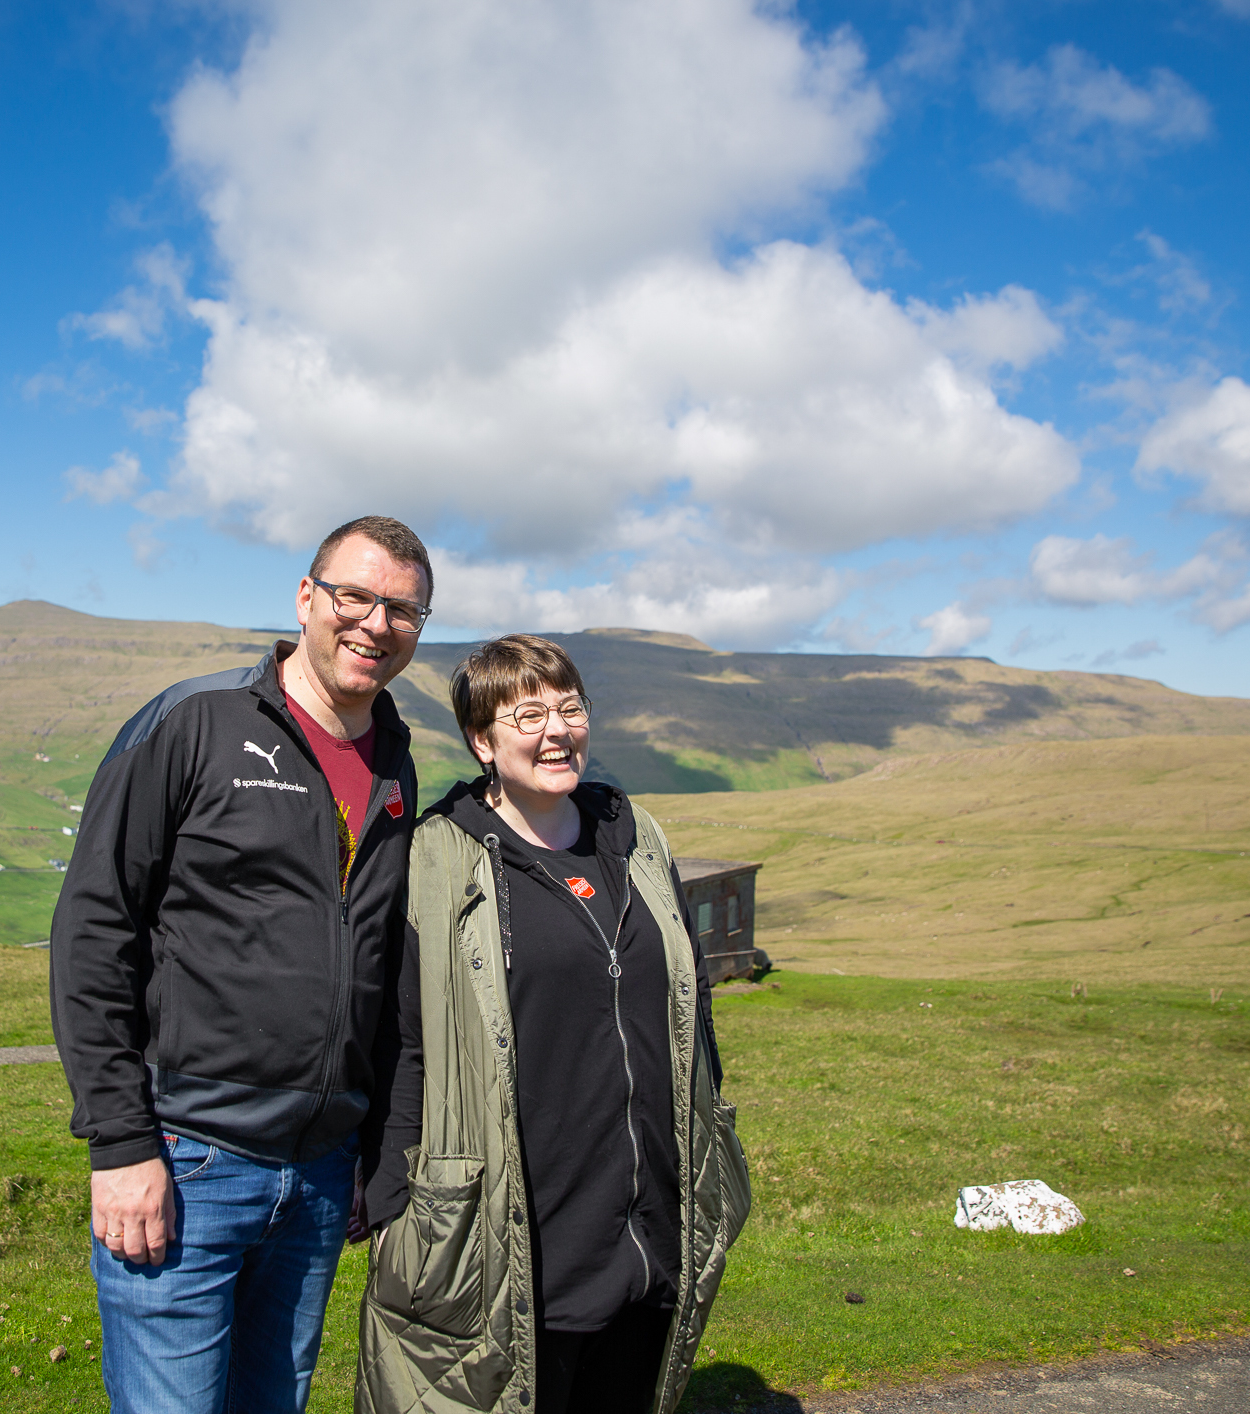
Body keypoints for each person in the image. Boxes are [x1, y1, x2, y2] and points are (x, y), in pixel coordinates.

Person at [50, 515, 433, 1414]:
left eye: (404, 612)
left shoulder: (397, 763)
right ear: (306, 598)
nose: (376, 625)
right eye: (355, 597)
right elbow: (95, 926)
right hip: (187, 1163)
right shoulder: (198, 721)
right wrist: (120, 1145)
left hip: (317, 1177)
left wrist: (371, 1156)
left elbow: (379, 976)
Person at [355, 634, 751, 1414]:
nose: (556, 730)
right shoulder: (439, 856)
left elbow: (687, 1002)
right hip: (512, 1221)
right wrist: (397, 1200)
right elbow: (405, 1041)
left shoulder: (636, 840)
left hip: (647, 1217)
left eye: (570, 709)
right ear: (480, 740)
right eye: (527, 714)